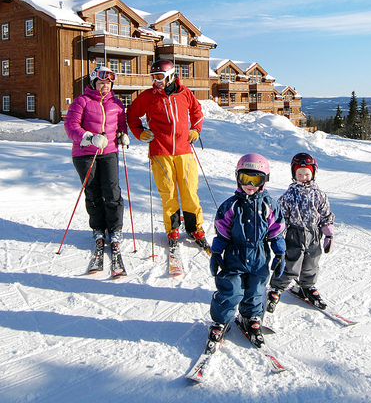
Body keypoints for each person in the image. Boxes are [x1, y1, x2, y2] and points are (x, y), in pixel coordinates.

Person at [126, 59, 207, 250]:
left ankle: (194, 227)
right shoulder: (148, 96)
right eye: (153, 77)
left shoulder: (184, 93)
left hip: (184, 150)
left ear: (170, 75)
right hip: (160, 150)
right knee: (167, 191)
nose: (156, 81)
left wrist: (195, 129)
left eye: (159, 77)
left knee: (189, 190)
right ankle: (172, 228)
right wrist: (140, 132)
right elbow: (131, 114)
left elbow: (197, 111)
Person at [208, 153, 286, 347]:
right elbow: (222, 232)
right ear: (237, 178)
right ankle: (220, 321)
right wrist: (216, 252)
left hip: (259, 257)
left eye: (256, 180)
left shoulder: (269, 205)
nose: (250, 185)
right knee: (230, 289)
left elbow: (276, 232)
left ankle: (250, 317)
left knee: (256, 289)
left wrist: (280, 253)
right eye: (245, 179)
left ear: (264, 181)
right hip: (234, 255)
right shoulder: (231, 205)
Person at [64, 66, 129, 245]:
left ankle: (115, 229)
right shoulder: (81, 101)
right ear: (93, 83)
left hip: (109, 152)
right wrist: (89, 138)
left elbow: (121, 125)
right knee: (93, 192)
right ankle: (98, 228)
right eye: (101, 82)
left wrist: (122, 135)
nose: (105, 86)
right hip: (85, 154)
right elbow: (71, 126)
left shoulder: (116, 103)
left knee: (112, 190)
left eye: (108, 83)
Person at [267, 152, 335, 311]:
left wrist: (328, 234)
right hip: (294, 234)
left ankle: (307, 286)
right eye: (299, 174)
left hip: (314, 234)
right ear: (294, 174)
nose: (303, 177)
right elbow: (281, 216)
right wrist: (278, 235)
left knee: (312, 262)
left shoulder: (319, 195)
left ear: (313, 174)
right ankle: (277, 287)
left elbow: (326, 215)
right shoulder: (289, 195)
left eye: (307, 174)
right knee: (291, 263)